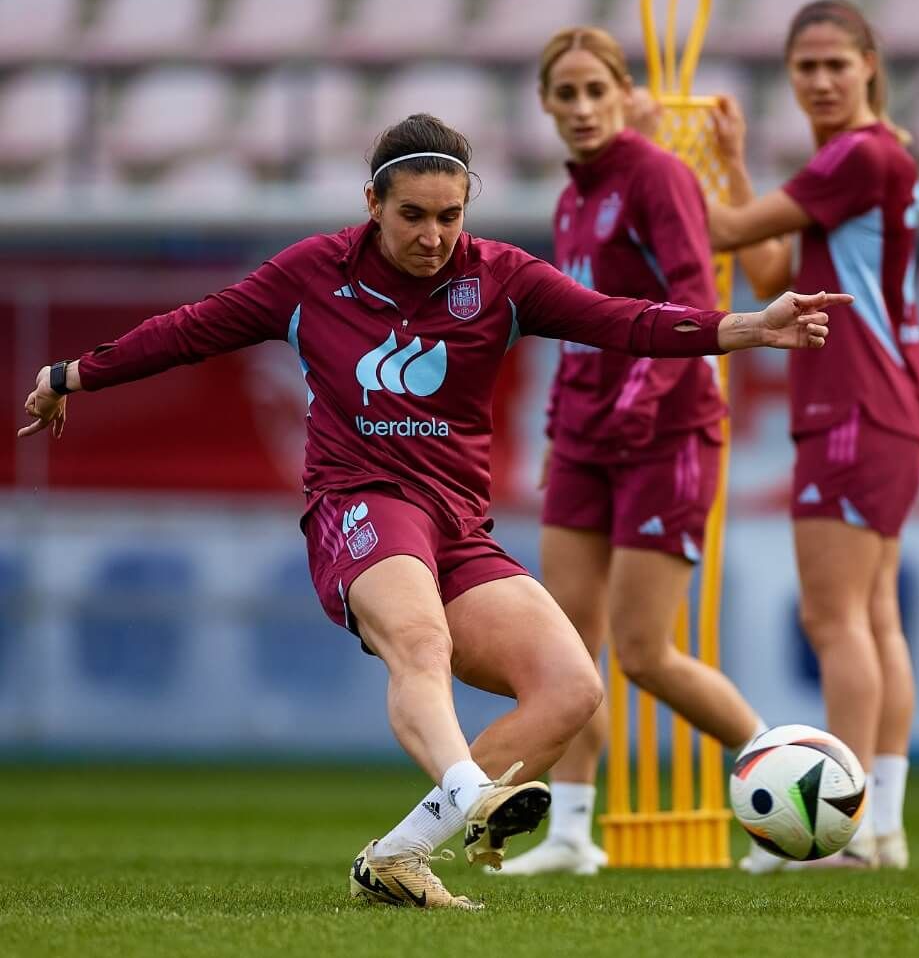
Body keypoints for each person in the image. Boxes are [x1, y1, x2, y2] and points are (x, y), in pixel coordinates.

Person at [16, 113, 850, 909]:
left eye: (448, 216)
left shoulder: (502, 279)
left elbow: (621, 321)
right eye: (411, 216)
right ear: (371, 205)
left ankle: (399, 857)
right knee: (421, 643)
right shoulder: (312, 275)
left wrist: (747, 328)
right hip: (360, 503)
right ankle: (473, 797)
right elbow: (193, 329)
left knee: (570, 687)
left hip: (458, 526)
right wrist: (71, 376)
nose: (431, 236)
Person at [500, 27, 778, 876]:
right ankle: (577, 834)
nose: (582, 108)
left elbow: (695, 301)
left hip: (666, 433)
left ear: (624, 95)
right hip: (584, 437)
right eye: (566, 94)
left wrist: (637, 399)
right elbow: (567, 323)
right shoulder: (572, 198)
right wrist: (559, 425)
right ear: (545, 105)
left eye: (596, 90)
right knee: (564, 652)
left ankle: (793, 782)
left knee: (646, 652)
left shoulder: (657, 175)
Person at [704, 0, 919, 871]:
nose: (823, 80)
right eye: (807, 66)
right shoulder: (871, 157)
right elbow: (768, 269)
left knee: (834, 618)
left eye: (838, 63)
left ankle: (843, 824)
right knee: (870, 617)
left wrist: (654, 152)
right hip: (888, 407)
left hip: (853, 403)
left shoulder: (858, 155)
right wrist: (730, 160)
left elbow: (724, 234)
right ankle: (881, 826)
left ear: (871, 63)